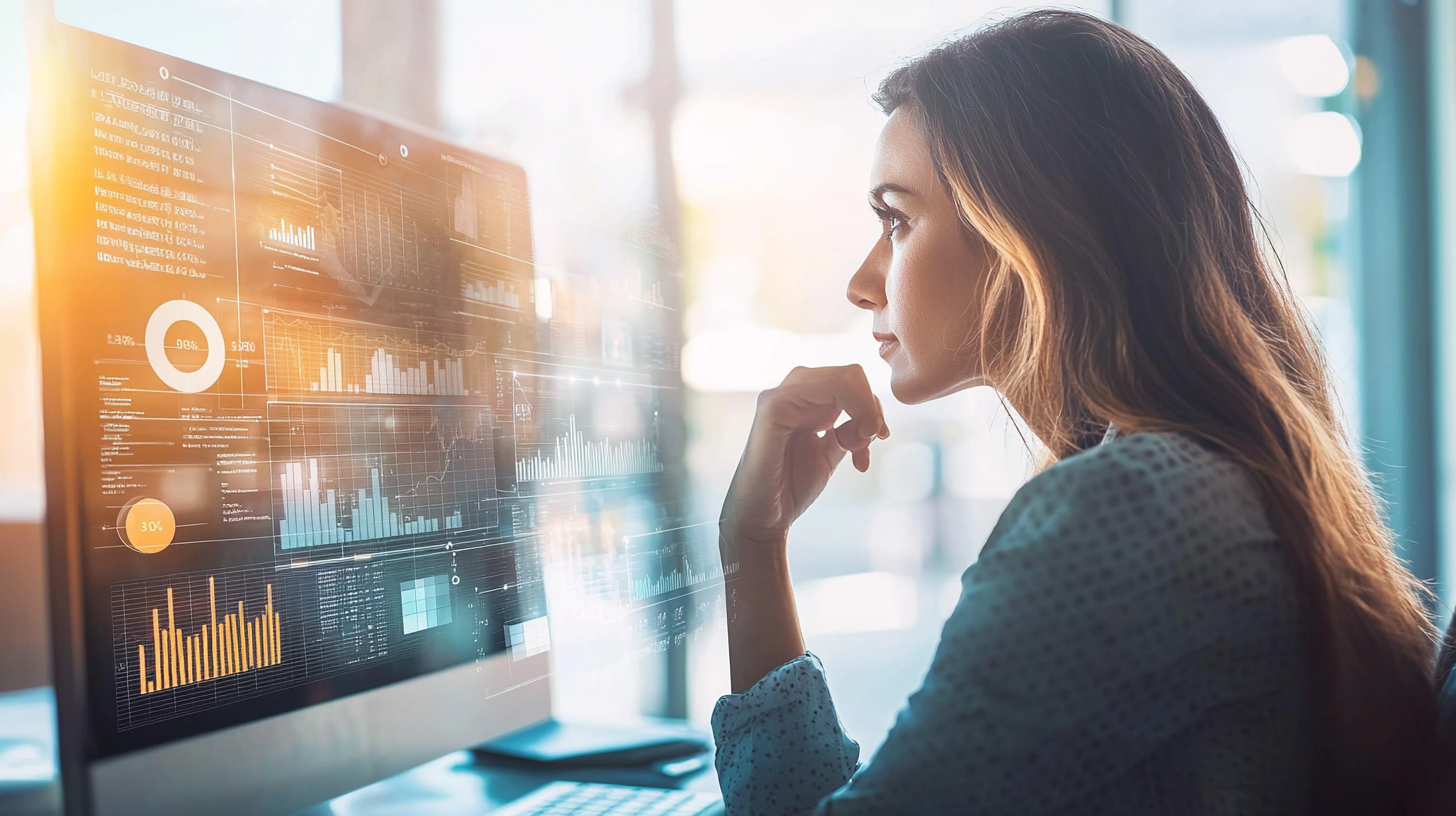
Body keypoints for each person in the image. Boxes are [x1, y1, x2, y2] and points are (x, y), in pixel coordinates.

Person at [711, 9, 1437, 816]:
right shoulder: (1211, 479)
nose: (862, 280)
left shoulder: (1129, 510)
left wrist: (747, 546)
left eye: (897, 220)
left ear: (1027, 232)